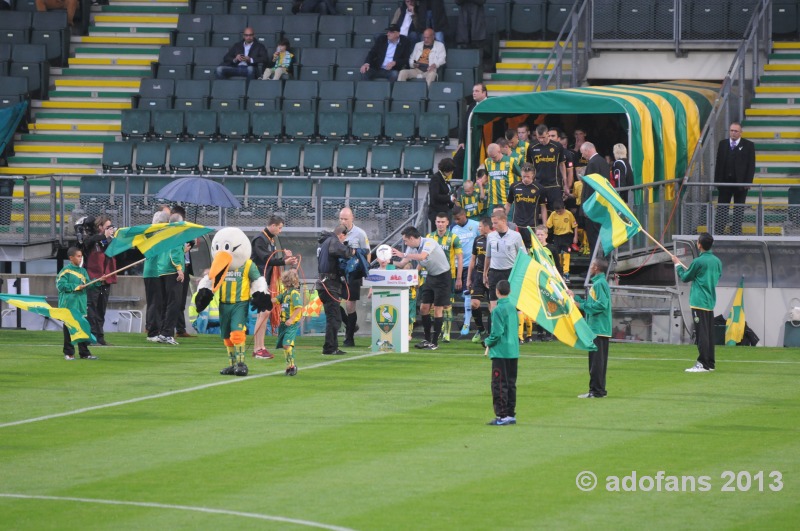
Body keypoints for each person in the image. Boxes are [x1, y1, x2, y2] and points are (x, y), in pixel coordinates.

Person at [392, 226, 451, 350]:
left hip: (442, 277)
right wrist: (387, 261)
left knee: (437, 309)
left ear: (412, 238)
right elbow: (402, 263)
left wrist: (403, 254)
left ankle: (434, 343)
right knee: (424, 308)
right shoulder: (411, 248)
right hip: (431, 276)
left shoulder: (429, 242)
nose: (405, 243)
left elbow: (422, 257)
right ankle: (427, 339)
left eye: (406, 240)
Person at [673, 232, 723, 373]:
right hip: (709, 301)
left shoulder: (698, 261)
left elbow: (685, 277)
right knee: (708, 334)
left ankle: (702, 363)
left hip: (698, 301)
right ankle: (710, 363)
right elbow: (716, 276)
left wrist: (677, 265)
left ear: (699, 244)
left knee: (701, 334)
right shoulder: (717, 261)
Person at [251, 215, 297, 359]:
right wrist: (284, 261)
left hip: (264, 280)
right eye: (279, 227)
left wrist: (285, 259)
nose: (280, 231)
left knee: (264, 313)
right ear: (272, 225)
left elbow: (270, 258)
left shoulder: (269, 239)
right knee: (263, 312)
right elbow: (266, 259)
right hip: (257, 279)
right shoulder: (260, 239)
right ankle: (257, 348)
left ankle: (260, 347)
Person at [572, 258, 612, 397]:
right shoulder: (599, 283)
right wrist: (575, 298)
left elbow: (601, 305)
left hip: (598, 329)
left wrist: (581, 306)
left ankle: (596, 391)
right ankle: (597, 390)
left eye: (592, 265)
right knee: (597, 362)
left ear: (596, 268)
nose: (590, 267)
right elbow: (593, 303)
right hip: (598, 329)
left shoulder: (599, 284)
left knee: (596, 363)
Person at [484, 279, 519, 426]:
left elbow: (497, 332)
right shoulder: (513, 307)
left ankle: (502, 415)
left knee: (499, 383)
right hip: (513, 350)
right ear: (509, 291)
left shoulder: (497, 310)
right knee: (511, 383)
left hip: (501, 351)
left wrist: (488, 342)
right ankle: (510, 413)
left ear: (497, 291)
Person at [714, 121, 756, 236]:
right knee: (722, 207)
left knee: (739, 207)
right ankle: (719, 229)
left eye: (736, 131)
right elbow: (718, 163)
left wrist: (748, 182)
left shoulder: (748, 145)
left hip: (740, 183)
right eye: (731, 130)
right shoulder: (722, 144)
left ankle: (736, 229)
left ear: (740, 133)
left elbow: (751, 165)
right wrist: (717, 181)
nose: (733, 133)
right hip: (724, 183)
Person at [427, 212, 463, 342]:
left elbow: (459, 257)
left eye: (443, 222)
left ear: (448, 223)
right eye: (438, 222)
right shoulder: (430, 237)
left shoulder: (454, 238)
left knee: (447, 305)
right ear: (435, 222)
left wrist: (459, 277)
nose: (440, 224)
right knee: (433, 305)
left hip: (449, 276)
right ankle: (440, 328)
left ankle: (447, 333)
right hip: (432, 275)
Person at [317, 224, 352, 355]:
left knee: (335, 314)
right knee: (334, 318)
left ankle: (332, 346)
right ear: (341, 235)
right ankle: (330, 348)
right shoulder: (333, 241)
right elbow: (342, 251)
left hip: (325, 285)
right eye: (344, 239)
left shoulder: (324, 242)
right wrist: (352, 251)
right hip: (329, 285)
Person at [57, 247, 97, 360]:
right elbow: (60, 285)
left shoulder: (83, 271)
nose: (80, 258)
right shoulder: (65, 271)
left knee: (83, 329)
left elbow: (88, 284)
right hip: (69, 306)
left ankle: (84, 353)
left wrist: (98, 281)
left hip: (81, 305)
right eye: (78, 256)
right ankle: (69, 353)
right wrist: (76, 287)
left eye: (81, 256)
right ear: (71, 258)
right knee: (69, 330)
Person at [339, 207, 370, 348]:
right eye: (341, 218)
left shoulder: (360, 234)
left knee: (350, 304)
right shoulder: (337, 233)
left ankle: (349, 337)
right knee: (332, 301)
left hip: (353, 274)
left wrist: (365, 269)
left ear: (352, 218)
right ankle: (349, 324)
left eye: (345, 218)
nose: (343, 221)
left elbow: (367, 253)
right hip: (339, 272)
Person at [83, 215, 116, 346]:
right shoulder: (91, 240)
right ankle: (92, 336)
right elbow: (88, 241)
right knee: (91, 310)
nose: (110, 229)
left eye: (111, 227)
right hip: (93, 280)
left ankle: (100, 337)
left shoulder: (109, 242)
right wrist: (105, 236)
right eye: (107, 227)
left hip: (105, 280)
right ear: (100, 227)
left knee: (101, 310)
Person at [484, 208, 526, 311]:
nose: (493, 226)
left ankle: (512, 325)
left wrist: (521, 275)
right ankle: (495, 325)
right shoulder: (490, 236)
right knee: (493, 302)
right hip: (494, 271)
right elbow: (488, 256)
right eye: (492, 223)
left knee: (512, 302)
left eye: (495, 223)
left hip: (510, 272)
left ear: (503, 221)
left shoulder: (516, 236)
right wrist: (485, 273)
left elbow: (523, 256)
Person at [527, 124, 568, 226]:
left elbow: (562, 165)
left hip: (554, 184)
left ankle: (558, 235)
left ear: (548, 134)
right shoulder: (532, 147)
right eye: (539, 137)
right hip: (538, 184)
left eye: (543, 137)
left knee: (558, 210)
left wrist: (566, 184)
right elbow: (529, 166)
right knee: (538, 211)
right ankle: (542, 235)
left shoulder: (557, 146)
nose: (541, 140)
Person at [156, 213, 185, 345]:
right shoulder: (176, 234)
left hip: (162, 270)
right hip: (171, 271)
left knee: (165, 303)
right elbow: (174, 253)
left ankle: (163, 331)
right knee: (174, 303)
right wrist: (179, 269)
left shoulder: (165, 233)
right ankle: (167, 333)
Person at [144, 209, 170, 342]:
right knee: (155, 303)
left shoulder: (149, 234)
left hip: (152, 271)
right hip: (154, 272)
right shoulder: (156, 235)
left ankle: (152, 328)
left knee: (155, 302)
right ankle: (153, 332)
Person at [580, 141, 610, 257]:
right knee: (599, 238)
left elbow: (591, 188)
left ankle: (594, 269)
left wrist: (587, 208)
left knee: (593, 240)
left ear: (588, 150)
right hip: (600, 206)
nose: (583, 156)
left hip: (593, 208)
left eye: (583, 153)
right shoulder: (602, 161)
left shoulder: (592, 163)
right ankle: (598, 266)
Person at [170, 205, 195, 339]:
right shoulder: (172, 233)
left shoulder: (186, 231)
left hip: (185, 268)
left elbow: (190, 245)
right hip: (176, 269)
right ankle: (170, 329)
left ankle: (180, 328)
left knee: (181, 301)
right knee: (174, 300)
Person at [467, 216, 491, 342]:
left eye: (480, 226)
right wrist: (468, 278)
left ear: (487, 227)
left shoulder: (495, 239)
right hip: (479, 274)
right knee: (474, 304)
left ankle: (492, 333)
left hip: (493, 275)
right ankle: (481, 330)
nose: (479, 228)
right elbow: (472, 259)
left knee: (492, 307)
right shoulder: (478, 239)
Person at [275, 269, 303, 376]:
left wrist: (291, 319)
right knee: (284, 345)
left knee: (287, 344)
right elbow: (275, 300)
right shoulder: (284, 294)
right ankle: (289, 366)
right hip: (283, 324)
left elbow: (298, 307)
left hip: (291, 325)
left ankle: (292, 366)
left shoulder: (294, 294)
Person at [508, 163, 542, 248]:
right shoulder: (514, 187)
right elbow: (508, 204)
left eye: (528, 177)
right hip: (517, 224)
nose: (526, 179)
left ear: (533, 175)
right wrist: (503, 217)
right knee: (515, 247)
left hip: (531, 225)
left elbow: (543, 207)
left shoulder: (539, 188)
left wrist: (544, 224)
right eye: (523, 176)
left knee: (531, 248)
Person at [483, 143, 521, 214]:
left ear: (499, 151)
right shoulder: (487, 161)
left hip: (507, 201)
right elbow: (486, 176)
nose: (492, 159)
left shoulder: (511, 161)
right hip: (492, 201)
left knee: (507, 223)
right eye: (490, 157)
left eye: (494, 157)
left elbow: (521, 175)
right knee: (493, 223)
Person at [546, 201, 578, 283]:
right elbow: (548, 225)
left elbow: (575, 226)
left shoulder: (569, 214)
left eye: (560, 211)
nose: (559, 213)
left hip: (567, 236)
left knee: (566, 255)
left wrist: (575, 236)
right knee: (558, 255)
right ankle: (559, 272)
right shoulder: (553, 214)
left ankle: (566, 273)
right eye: (557, 211)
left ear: (564, 208)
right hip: (557, 236)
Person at [428, 157, 456, 232]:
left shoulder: (444, 178)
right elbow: (435, 196)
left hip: (445, 211)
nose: (452, 172)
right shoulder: (436, 178)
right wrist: (449, 198)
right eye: (451, 170)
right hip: (437, 213)